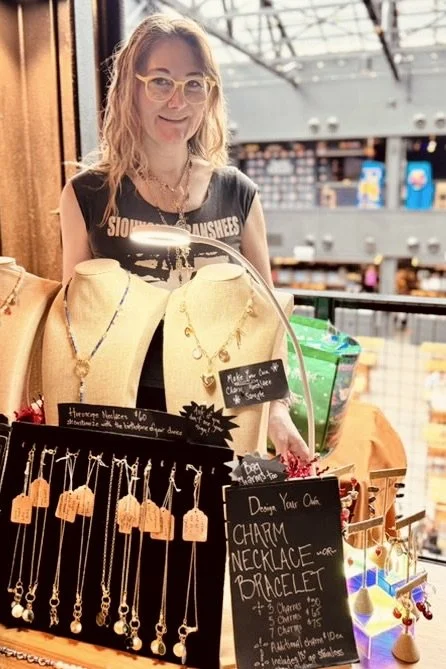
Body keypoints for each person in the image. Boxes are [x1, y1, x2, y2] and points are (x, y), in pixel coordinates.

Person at [60, 13, 309, 463]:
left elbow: (265, 319)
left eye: (194, 84)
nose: (178, 100)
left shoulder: (237, 193)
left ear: (209, 95)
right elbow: (73, 321)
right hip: (124, 411)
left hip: (221, 410)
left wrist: (274, 410)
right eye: (160, 81)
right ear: (131, 88)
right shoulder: (88, 195)